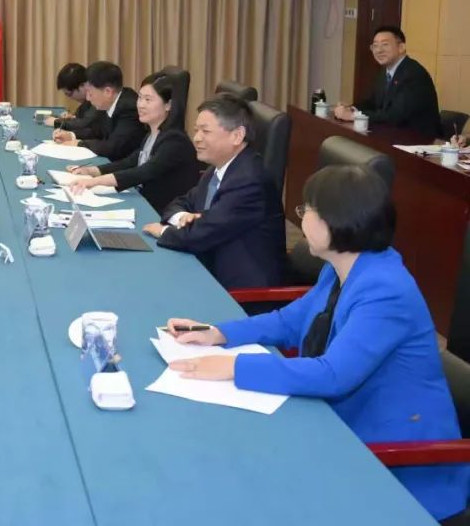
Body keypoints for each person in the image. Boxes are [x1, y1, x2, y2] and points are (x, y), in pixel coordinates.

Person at [165, 165, 470, 524]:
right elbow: (290, 321)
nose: (302, 218)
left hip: (399, 467)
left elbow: (333, 375)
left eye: (307, 209)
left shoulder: (385, 289)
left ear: (335, 220)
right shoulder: (341, 267)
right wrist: (219, 333)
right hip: (344, 430)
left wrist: (233, 366)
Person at [142, 94, 285, 290]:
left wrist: (164, 231)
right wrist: (183, 217)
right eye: (196, 130)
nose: (197, 138)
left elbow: (199, 235)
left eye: (206, 131)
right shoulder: (219, 168)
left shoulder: (249, 181)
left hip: (240, 291)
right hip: (208, 266)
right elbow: (180, 203)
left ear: (237, 135)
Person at [66, 74, 198, 213]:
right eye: (140, 98)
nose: (141, 105)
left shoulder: (175, 140)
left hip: (162, 212)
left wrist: (94, 182)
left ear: (168, 105)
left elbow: (142, 172)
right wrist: (92, 171)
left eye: (148, 100)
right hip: (145, 202)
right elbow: (131, 162)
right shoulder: (153, 133)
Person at [332, 26, 441, 138]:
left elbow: (395, 115)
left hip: (418, 140)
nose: (379, 50)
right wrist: (351, 108)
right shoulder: (385, 71)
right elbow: (372, 102)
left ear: (401, 47)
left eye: (385, 44)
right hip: (392, 135)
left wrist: (353, 115)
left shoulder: (413, 74)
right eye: (375, 46)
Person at [52, 61, 145, 161]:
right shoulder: (108, 103)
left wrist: (80, 143)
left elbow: (113, 147)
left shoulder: (129, 108)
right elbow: (96, 130)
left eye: (90, 93)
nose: (87, 98)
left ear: (107, 92)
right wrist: (71, 136)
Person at [43, 63, 95, 130]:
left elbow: (86, 124)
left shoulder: (97, 100)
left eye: (70, 94)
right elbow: (81, 118)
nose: (70, 98)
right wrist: (72, 117)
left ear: (83, 85)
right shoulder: (86, 102)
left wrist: (57, 123)